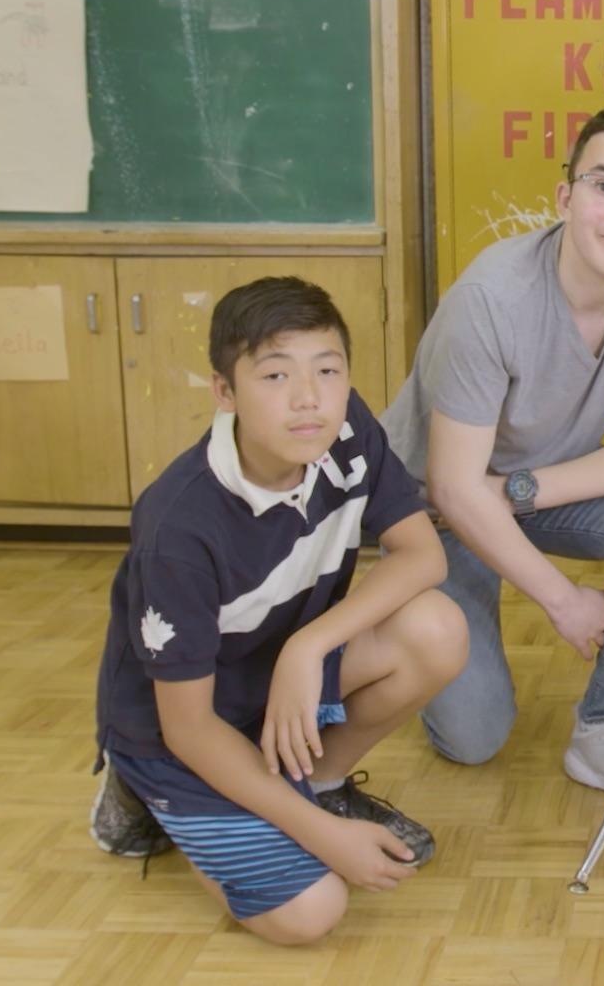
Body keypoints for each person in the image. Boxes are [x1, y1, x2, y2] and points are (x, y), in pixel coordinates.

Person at [90, 276, 469, 945]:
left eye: (327, 370)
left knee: (436, 629)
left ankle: (316, 785)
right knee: (311, 914)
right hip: (180, 729)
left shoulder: (347, 427)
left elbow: (422, 557)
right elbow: (189, 729)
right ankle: (141, 790)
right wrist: (327, 841)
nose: (309, 399)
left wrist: (307, 648)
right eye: (274, 375)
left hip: (276, 678)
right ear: (224, 392)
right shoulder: (179, 527)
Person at [380, 106, 604, 826]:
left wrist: (518, 491)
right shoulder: (490, 301)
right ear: (565, 199)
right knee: (475, 738)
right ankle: (385, 624)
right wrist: (565, 601)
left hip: (518, 486)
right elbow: (451, 487)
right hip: (434, 508)